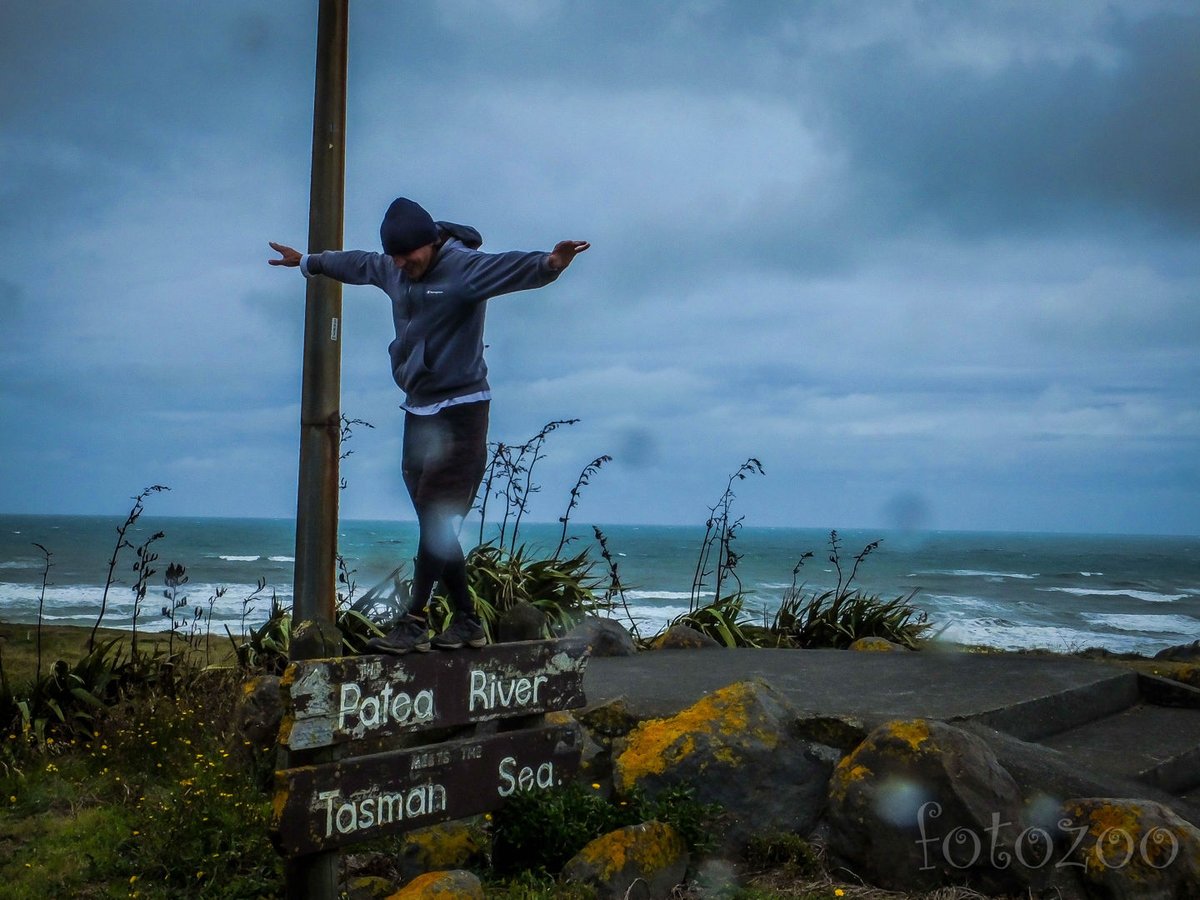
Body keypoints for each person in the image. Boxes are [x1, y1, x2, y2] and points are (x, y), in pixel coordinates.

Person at [269, 197, 589, 654]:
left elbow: (509, 268)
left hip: (462, 411)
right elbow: (360, 263)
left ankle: (414, 620)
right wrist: (308, 263)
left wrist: (552, 263)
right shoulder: (395, 269)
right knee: (433, 522)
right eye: (396, 257)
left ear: (432, 242)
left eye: (409, 255)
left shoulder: (464, 269)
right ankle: (467, 621)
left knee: (438, 521)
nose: (402, 265)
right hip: (418, 413)